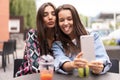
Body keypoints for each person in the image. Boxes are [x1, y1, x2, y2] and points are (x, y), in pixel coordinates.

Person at [52, 4, 112, 75]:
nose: (65, 23)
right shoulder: (57, 45)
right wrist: (72, 64)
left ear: (76, 20)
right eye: (61, 20)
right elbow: (61, 61)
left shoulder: (94, 37)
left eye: (69, 19)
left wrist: (98, 68)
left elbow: (102, 59)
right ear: (58, 23)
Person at [15, 2, 56, 77]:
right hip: (28, 76)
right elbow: (35, 67)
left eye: (53, 14)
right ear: (41, 19)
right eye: (45, 15)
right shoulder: (33, 34)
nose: (50, 17)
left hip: (51, 77)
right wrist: (61, 67)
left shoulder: (59, 37)